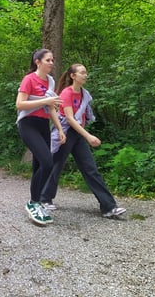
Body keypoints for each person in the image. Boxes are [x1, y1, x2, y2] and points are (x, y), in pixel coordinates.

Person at [40, 64, 127, 218]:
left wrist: (84, 135)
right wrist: (88, 136)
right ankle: (44, 199)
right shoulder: (66, 93)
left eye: (86, 72)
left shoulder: (84, 94)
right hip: (65, 132)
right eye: (82, 72)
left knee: (90, 168)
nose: (85, 75)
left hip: (78, 134)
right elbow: (70, 119)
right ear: (73, 76)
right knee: (56, 166)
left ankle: (108, 207)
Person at [16, 49, 66, 227]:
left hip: (43, 125)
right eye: (48, 60)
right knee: (47, 162)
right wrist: (45, 101)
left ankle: (36, 202)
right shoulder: (29, 79)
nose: (51, 63)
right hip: (28, 124)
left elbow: (51, 108)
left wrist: (59, 128)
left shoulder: (50, 81)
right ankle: (33, 203)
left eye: (52, 60)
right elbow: (20, 104)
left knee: (39, 165)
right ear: (38, 62)